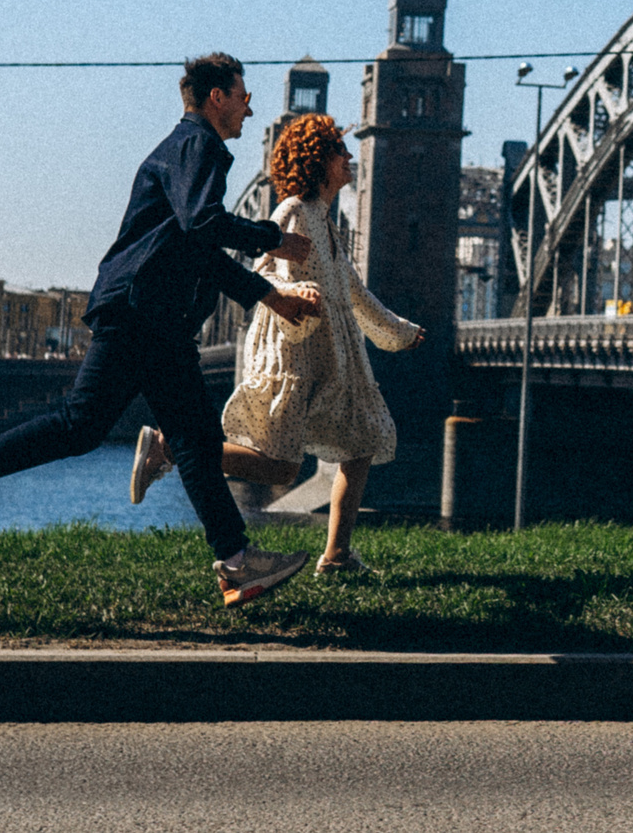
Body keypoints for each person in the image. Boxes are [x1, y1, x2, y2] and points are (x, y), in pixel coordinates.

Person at [0, 54, 327, 607]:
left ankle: (236, 563)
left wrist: (268, 296)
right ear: (215, 97)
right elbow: (204, 226)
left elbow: (197, 248)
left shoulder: (191, 150)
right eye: (242, 94)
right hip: (141, 311)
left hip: (156, 317)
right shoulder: (195, 146)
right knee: (87, 426)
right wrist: (271, 237)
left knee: (190, 440)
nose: (250, 106)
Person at [136, 111, 425, 574]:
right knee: (278, 469)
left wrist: (400, 332)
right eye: (339, 150)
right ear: (318, 161)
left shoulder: (327, 225)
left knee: (360, 442)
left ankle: (336, 556)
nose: (350, 157)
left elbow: (354, 292)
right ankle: (170, 445)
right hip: (292, 353)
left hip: (330, 357)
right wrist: (292, 292)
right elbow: (264, 272)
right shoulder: (292, 210)